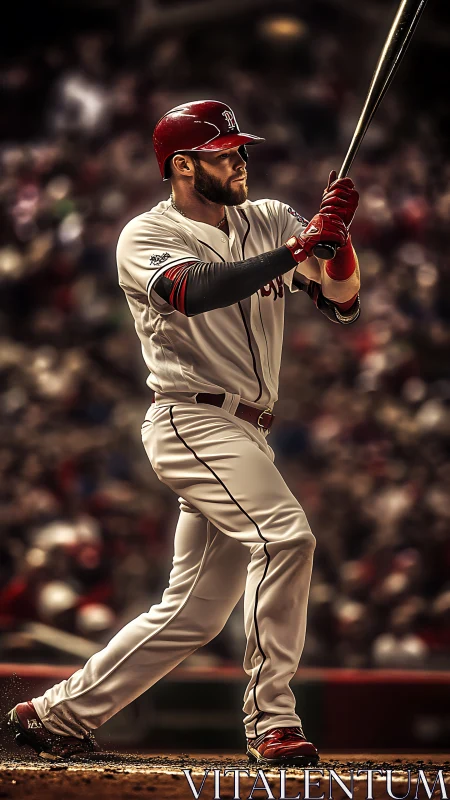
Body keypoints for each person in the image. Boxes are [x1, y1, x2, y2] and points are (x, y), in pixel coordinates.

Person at [6, 100, 360, 766]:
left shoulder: (270, 218)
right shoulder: (146, 233)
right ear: (182, 166)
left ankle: (55, 716)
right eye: (224, 154)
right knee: (286, 536)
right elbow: (193, 292)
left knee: (194, 611)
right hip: (190, 416)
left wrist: (336, 244)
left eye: (240, 150)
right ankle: (272, 719)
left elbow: (342, 302)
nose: (240, 162)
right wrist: (296, 249)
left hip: (248, 431)